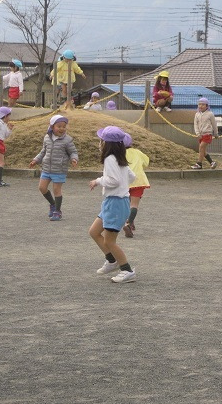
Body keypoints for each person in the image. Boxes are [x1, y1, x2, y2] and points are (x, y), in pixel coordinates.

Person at [89, 126, 136, 283]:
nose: (99, 142)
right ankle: (112, 260)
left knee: (110, 241)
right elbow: (132, 176)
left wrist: (98, 181)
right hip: (114, 202)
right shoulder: (119, 159)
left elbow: (113, 180)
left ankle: (127, 270)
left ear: (106, 143)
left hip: (115, 203)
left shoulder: (110, 159)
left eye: (101, 140)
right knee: (94, 231)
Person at [29, 114, 78, 221]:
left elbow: (73, 152)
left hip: (59, 169)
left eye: (64, 126)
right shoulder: (47, 138)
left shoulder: (67, 140)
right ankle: (52, 204)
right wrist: (36, 160)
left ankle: (57, 211)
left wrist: (74, 159)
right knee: (42, 188)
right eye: (59, 126)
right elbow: (43, 151)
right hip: (46, 168)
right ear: (52, 127)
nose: (62, 129)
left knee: (57, 190)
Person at [122, 132, 150, 238]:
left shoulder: (119, 154)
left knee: (126, 203)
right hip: (138, 180)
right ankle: (129, 222)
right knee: (134, 204)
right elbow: (146, 162)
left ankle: (128, 221)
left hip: (125, 181)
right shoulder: (137, 152)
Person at [190, 97, 218, 170]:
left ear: (207, 106)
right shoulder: (197, 114)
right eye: (199, 104)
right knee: (202, 151)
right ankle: (212, 162)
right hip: (200, 135)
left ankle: (199, 164)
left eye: (203, 104)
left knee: (202, 147)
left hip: (207, 134)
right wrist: (197, 133)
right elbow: (195, 124)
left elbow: (214, 124)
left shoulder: (210, 114)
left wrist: (216, 133)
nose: (201, 106)